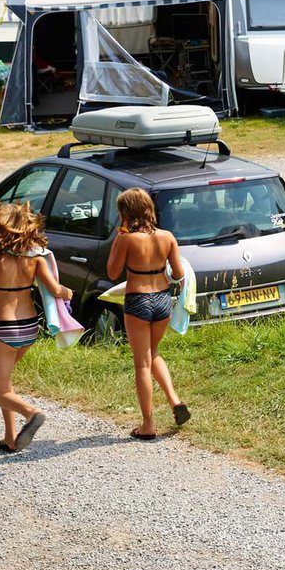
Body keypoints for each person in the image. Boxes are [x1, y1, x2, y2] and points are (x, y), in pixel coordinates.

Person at [0, 200, 73, 452]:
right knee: (5, 383)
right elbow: (56, 290)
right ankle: (10, 439)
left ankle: (32, 413)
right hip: (30, 328)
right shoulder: (36, 260)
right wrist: (68, 293)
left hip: (5, 329)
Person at [106, 188, 191, 440]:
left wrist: (118, 237)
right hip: (163, 300)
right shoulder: (167, 237)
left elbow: (112, 273)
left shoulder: (126, 240)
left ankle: (148, 425)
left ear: (126, 213)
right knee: (153, 354)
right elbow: (178, 274)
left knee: (141, 363)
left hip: (138, 300)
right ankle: (174, 400)